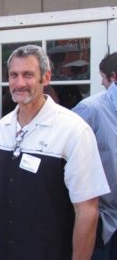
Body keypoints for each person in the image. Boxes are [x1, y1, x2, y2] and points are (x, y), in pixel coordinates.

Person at [0, 45, 110, 260]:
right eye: (14, 75)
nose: (19, 83)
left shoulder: (73, 130)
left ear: (46, 77)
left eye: (28, 75)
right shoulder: (3, 127)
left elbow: (88, 210)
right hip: (1, 252)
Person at [72, 52, 117, 260]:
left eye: (102, 76)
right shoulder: (90, 109)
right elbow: (64, 158)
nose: (101, 81)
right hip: (103, 220)